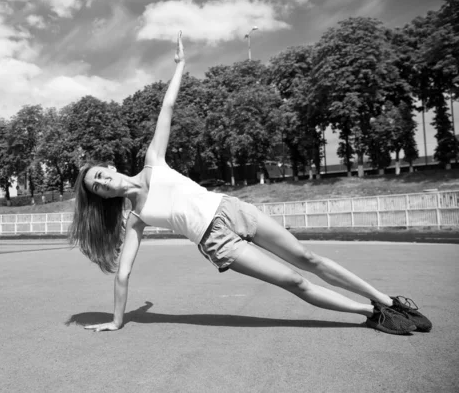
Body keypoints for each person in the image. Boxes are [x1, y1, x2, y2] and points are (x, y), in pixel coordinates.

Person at [69, 32, 431, 335]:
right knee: (294, 281)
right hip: (217, 241)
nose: (105, 182)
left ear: (111, 167)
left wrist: (180, 66)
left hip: (232, 208)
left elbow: (167, 108)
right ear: (103, 197)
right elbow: (124, 272)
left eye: (101, 174)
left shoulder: (153, 161)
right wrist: (117, 320)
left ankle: (387, 300)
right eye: (98, 187)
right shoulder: (138, 216)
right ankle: (370, 314)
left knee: (307, 258)